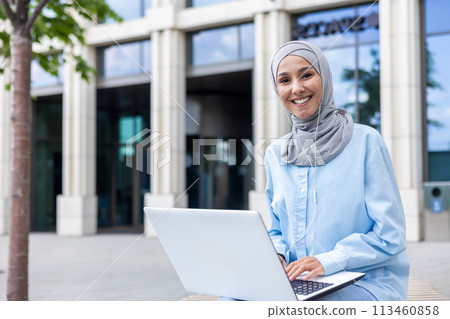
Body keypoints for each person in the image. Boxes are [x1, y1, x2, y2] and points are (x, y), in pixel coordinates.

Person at [264, 40, 410, 301]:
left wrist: (328, 261)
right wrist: (275, 255)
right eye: (284, 80)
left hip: (367, 281)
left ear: (325, 78)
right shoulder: (276, 154)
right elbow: (276, 229)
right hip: (298, 283)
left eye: (307, 74)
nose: (296, 88)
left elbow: (390, 235)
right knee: (227, 305)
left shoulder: (365, 141)